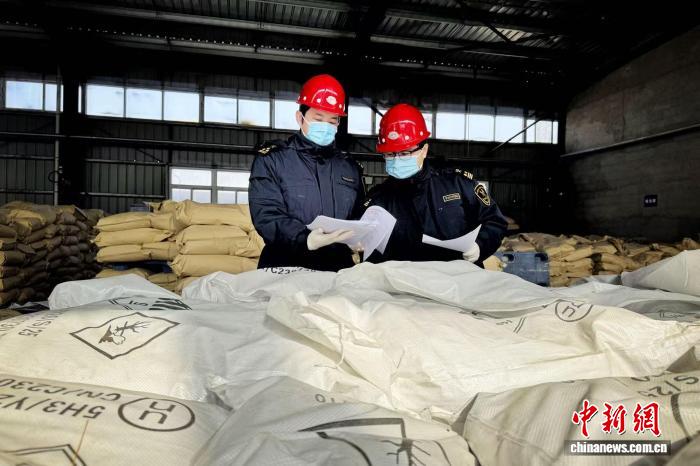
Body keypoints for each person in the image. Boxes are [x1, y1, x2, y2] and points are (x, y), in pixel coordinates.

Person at [362, 103, 507, 266]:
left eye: (404, 153)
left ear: (424, 150)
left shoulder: (457, 184)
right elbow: (367, 246)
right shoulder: (378, 199)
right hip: (402, 279)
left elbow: (495, 220)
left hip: (457, 276)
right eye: (389, 154)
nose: (396, 160)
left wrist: (480, 245)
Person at [249, 74, 364, 271]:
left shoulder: (349, 167)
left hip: (336, 269)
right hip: (285, 267)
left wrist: (359, 238)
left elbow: (359, 215)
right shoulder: (273, 160)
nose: (325, 126)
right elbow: (266, 214)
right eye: (318, 119)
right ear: (299, 118)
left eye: (332, 121)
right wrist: (305, 239)